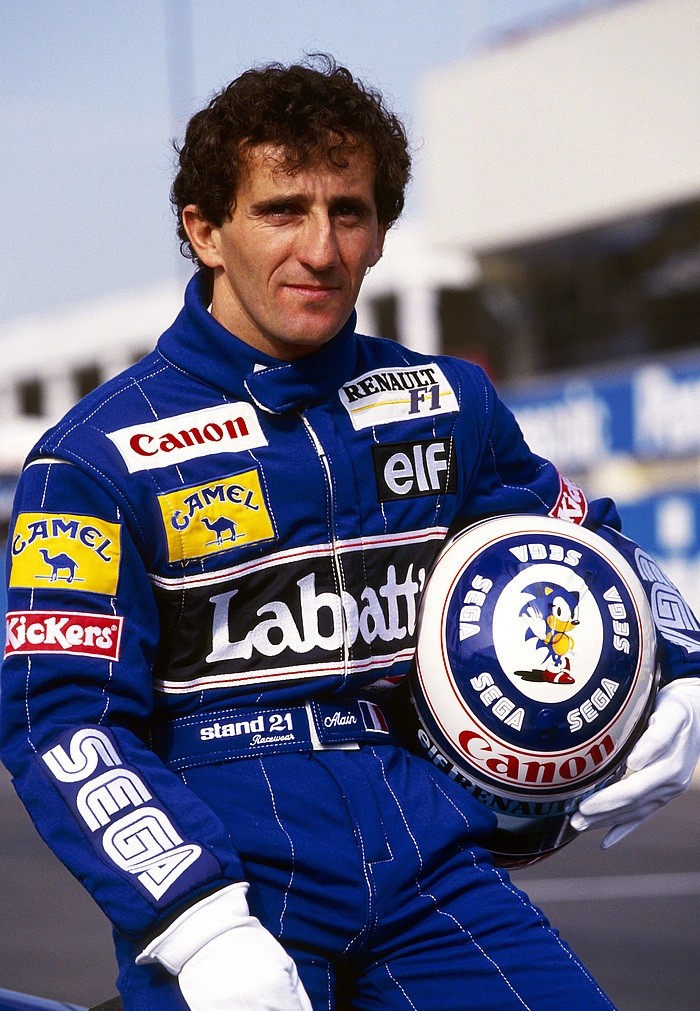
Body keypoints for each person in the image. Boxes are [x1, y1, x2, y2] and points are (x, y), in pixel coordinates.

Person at [1, 54, 699, 1011]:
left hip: (428, 863)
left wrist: (681, 667)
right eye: (283, 210)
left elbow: (592, 545)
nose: (321, 250)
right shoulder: (92, 459)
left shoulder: (447, 402)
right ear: (205, 231)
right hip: (234, 878)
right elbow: (62, 719)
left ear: (380, 232)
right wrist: (198, 923)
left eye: (350, 212)